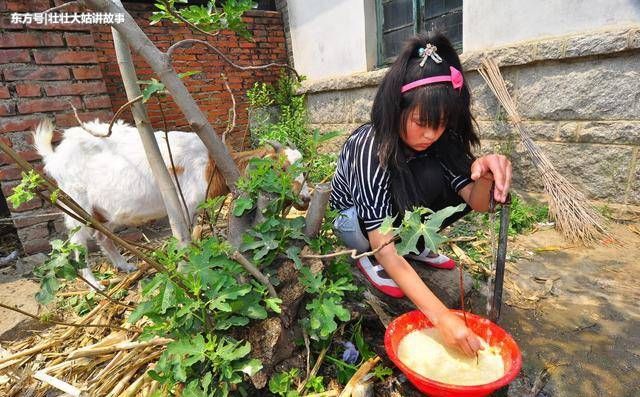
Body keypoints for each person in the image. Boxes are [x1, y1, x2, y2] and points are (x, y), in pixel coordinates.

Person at [329, 32, 512, 356]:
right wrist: (442, 317)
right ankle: (367, 261)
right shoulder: (371, 146)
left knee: (433, 173)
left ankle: (414, 244)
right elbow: (384, 247)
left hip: (394, 221)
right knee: (365, 235)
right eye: (421, 122)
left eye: (440, 124)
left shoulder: (439, 142)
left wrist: (484, 175)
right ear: (398, 108)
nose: (431, 133)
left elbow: (478, 203)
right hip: (355, 221)